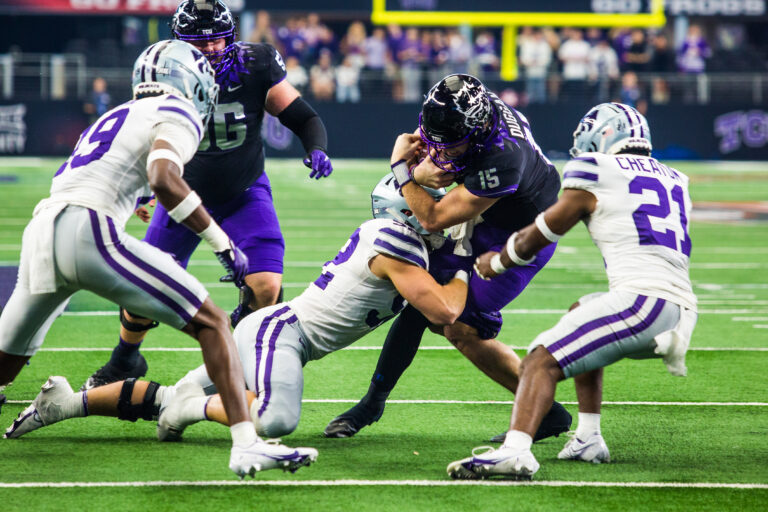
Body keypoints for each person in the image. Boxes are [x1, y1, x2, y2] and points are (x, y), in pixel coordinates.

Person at [0, 40, 317, 477]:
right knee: (213, 321)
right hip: (88, 230)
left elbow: (114, 173)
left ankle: (85, 384)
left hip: (43, 231)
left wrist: (140, 196)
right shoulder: (179, 110)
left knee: (4, 363)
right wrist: (221, 243)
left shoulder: (115, 114)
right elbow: (164, 179)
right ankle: (246, 444)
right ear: (191, 80)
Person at [6, 175, 469, 444]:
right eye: (431, 201)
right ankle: (190, 408)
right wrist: (471, 266)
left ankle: (65, 403)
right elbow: (445, 311)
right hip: (282, 335)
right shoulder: (396, 245)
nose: (441, 208)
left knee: (172, 395)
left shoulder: (397, 239)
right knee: (276, 419)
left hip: (273, 332)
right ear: (406, 210)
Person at [81, 0, 334, 391]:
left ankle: (240, 349)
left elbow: (303, 116)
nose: (212, 49)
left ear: (231, 36)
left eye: (218, 40)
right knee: (142, 288)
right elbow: (144, 135)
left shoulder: (257, 64)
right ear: (179, 42)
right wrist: (145, 190)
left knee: (266, 286)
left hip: (243, 191)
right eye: (201, 43)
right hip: (181, 195)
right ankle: (125, 358)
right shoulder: (166, 73)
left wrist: (315, 146)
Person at [447, 102, 697, 479]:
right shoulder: (675, 178)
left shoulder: (595, 169)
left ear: (605, 135)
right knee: (581, 309)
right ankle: (588, 438)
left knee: (539, 360)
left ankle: (515, 452)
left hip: (644, 302)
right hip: (679, 308)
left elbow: (546, 229)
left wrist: (498, 262)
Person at [323, 74, 571, 442]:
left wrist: (401, 169)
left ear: (479, 128)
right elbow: (435, 146)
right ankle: (373, 402)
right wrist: (427, 155)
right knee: (421, 299)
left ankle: (547, 412)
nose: (442, 149)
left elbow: (432, 218)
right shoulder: (466, 112)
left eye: (453, 145)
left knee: (458, 327)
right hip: (493, 212)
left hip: (522, 236)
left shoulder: (502, 158)